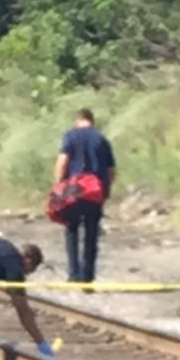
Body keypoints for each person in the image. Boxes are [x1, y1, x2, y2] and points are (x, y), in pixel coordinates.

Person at [54, 108, 116, 284]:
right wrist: (106, 190)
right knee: (91, 232)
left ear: (77, 120)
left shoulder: (70, 136)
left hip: (73, 189)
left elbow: (62, 162)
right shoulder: (101, 139)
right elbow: (111, 170)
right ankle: (87, 275)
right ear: (92, 120)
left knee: (72, 229)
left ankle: (74, 273)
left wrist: (58, 188)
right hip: (94, 190)